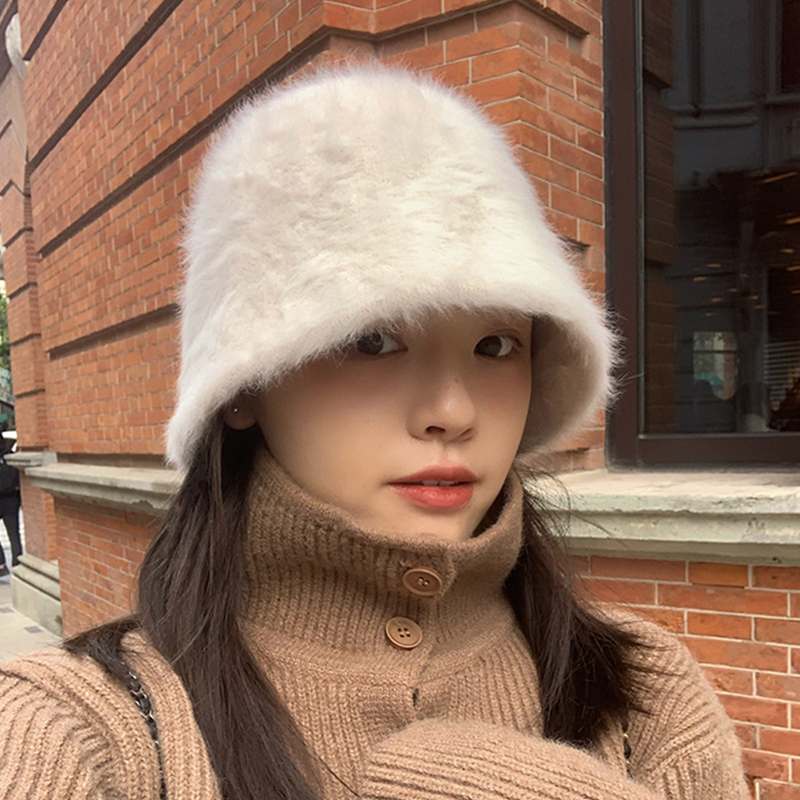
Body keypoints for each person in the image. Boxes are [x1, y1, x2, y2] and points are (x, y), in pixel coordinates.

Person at [0, 66, 749, 800]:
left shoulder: (646, 692)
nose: (454, 411)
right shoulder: (75, 729)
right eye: (372, 341)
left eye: (496, 346)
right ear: (243, 387)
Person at [0, 428, 22, 577]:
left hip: (7, 499)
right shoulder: (10, 455)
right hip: (12, 500)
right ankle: (17, 563)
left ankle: (1, 564)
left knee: (14, 534)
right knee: (14, 534)